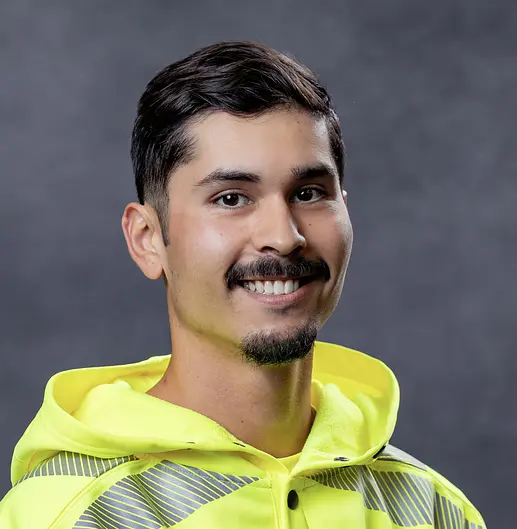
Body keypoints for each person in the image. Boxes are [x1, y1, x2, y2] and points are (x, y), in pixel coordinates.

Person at [0, 40, 485, 529]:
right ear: (147, 239)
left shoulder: (432, 509)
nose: (284, 237)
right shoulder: (64, 515)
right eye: (231, 198)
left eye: (309, 193)